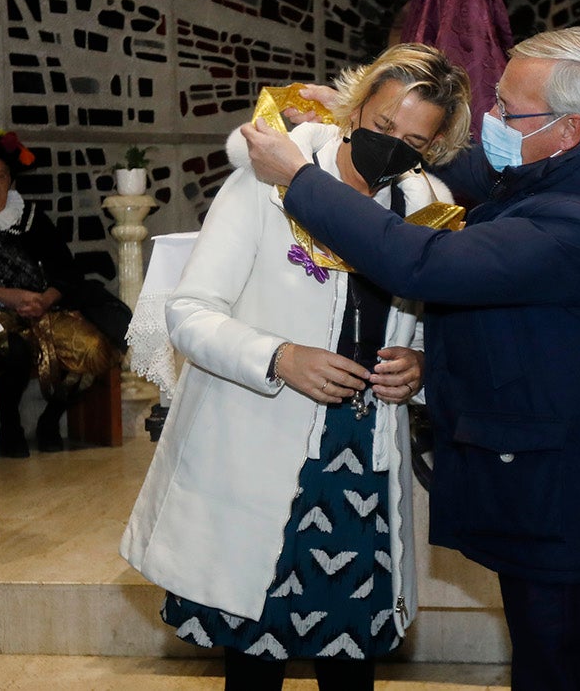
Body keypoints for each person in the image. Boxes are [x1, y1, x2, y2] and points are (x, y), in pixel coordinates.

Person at [241, 26, 580, 691]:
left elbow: (424, 263)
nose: (492, 124)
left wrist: (300, 179)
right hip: (552, 478)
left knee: (561, 665)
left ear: (567, 128)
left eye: (508, 111)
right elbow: (468, 165)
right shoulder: (576, 160)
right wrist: (366, 120)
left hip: (565, 496)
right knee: (552, 655)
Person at [121, 44, 473, 690]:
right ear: (355, 107)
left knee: (352, 650)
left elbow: (435, 312)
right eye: (382, 127)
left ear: (439, 144)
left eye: (415, 139)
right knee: (256, 651)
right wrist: (279, 356)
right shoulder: (268, 182)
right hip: (262, 447)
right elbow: (191, 312)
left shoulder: (429, 199)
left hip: (364, 458)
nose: (392, 146)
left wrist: (420, 362)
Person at [0, 133, 129, 458]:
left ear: (10, 181)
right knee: (14, 352)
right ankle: (10, 426)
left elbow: (66, 268)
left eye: (1, 176)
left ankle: (51, 421)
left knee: (97, 348)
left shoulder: (31, 217)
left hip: (43, 309)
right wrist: (5, 296)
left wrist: (46, 298)